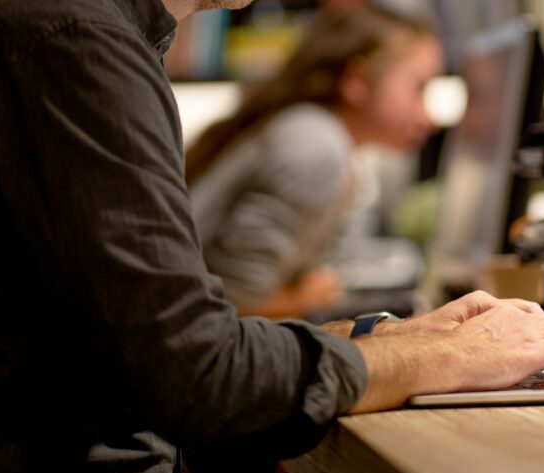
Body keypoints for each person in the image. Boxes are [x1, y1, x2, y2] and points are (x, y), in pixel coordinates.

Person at [0, 0, 544, 473]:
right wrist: (429, 358)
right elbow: (193, 376)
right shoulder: (70, 39)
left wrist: (390, 341)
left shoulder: (80, 32)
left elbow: (155, 343)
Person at [186, 4, 440, 318]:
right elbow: (233, 305)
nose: (430, 116)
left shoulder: (313, 133)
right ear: (356, 81)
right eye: (419, 87)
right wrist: (309, 296)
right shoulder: (317, 147)